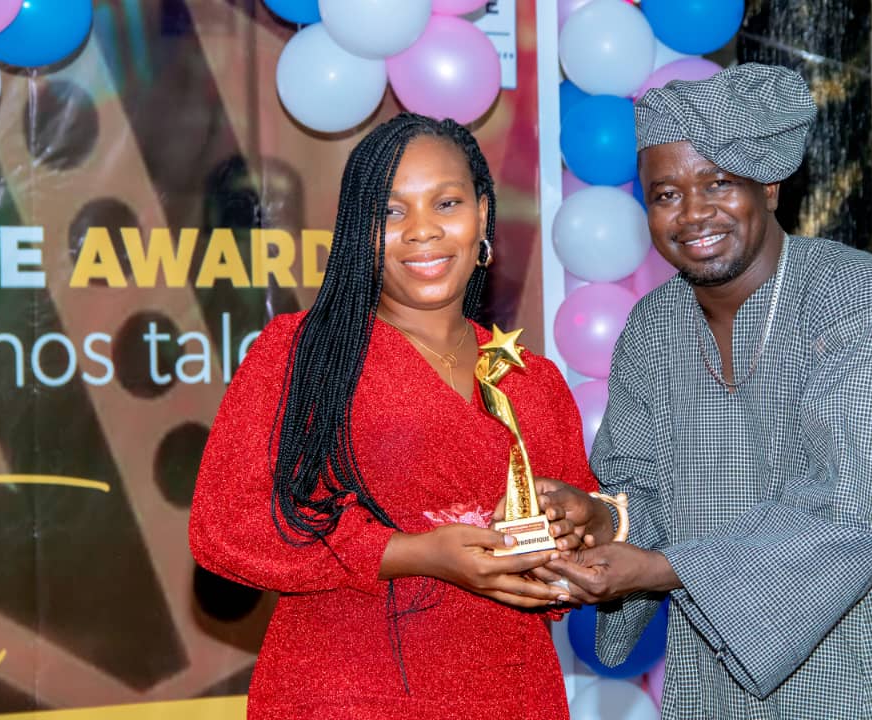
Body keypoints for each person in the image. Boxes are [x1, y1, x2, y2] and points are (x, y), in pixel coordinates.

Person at [540, 64, 872, 719]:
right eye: (666, 194)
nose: (693, 213)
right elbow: (640, 489)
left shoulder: (855, 299)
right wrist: (598, 520)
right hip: (724, 668)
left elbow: (856, 506)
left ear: (769, 184)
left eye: (719, 183)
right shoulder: (653, 327)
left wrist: (667, 570)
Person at [189, 113, 595, 719]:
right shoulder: (303, 353)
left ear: (483, 213)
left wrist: (577, 530)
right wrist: (409, 553)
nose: (421, 230)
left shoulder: (533, 381)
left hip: (514, 694)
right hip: (344, 697)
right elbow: (226, 529)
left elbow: (568, 568)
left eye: (447, 203)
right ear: (361, 229)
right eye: (390, 211)